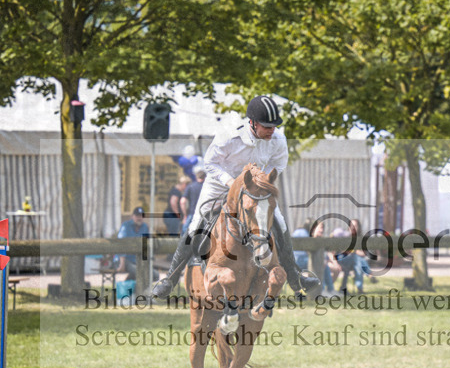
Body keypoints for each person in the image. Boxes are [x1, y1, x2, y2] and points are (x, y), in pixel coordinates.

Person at [150, 95, 320, 299]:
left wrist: (261, 182)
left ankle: (295, 276)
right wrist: (231, 183)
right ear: (253, 123)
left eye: (274, 126)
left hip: (254, 187)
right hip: (220, 184)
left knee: (280, 222)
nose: (271, 130)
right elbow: (210, 163)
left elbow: (279, 164)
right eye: (266, 126)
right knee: (197, 222)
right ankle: (170, 278)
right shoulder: (229, 135)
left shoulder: (278, 140)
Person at [332, 219, 372, 294]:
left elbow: (364, 253)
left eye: (355, 226)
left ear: (358, 227)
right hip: (342, 260)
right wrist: (355, 252)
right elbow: (342, 252)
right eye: (351, 226)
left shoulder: (360, 239)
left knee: (358, 264)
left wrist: (354, 252)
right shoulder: (344, 236)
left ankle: (344, 288)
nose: (353, 228)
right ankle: (368, 275)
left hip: (354, 262)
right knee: (357, 259)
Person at [116, 207, 150, 277]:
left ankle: (128, 285)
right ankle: (127, 286)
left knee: (154, 274)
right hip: (124, 259)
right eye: (137, 216)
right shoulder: (125, 226)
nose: (139, 218)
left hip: (137, 261)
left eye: (141, 216)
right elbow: (121, 243)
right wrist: (122, 263)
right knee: (138, 272)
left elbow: (146, 246)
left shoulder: (145, 227)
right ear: (132, 216)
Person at [180, 166, 206, 233]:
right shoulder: (207, 187)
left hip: (192, 214)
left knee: (185, 233)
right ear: (205, 177)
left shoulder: (190, 187)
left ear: (196, 177)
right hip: (206, 215)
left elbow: (182, 201)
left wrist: (185, 215)